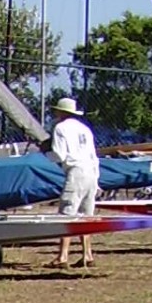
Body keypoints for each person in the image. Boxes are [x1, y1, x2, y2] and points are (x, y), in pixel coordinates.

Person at [49, 95, 100, 269]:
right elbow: (93, 155)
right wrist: (97, 178)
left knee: (67, 213)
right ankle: (87, 254)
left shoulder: (60, 128)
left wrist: (46, 154)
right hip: (91, 172)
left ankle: (62, 256)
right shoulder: (85, 129)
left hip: (76, 171)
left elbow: (59, 154)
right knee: (86, 215)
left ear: (61, 112)